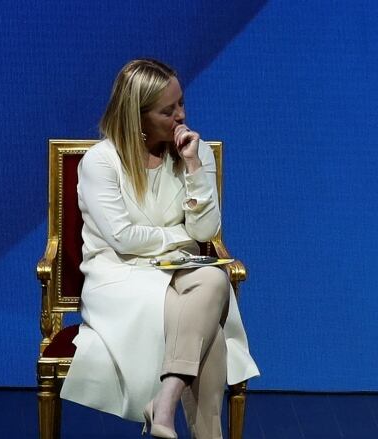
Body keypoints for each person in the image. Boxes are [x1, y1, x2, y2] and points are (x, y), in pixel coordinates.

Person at [60, 59, 259, 439]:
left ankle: (164, 401)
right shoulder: (101, 162)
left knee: (214, 281)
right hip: (119, 279)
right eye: (168, 110)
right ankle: (180, 417)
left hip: (177, 273)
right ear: (137, 115)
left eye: (181, 103)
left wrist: (194, 169)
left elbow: (205, 229)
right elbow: (123, 239)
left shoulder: (191, 154)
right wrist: (177, 237)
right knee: (211, 332)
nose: (181, 116)